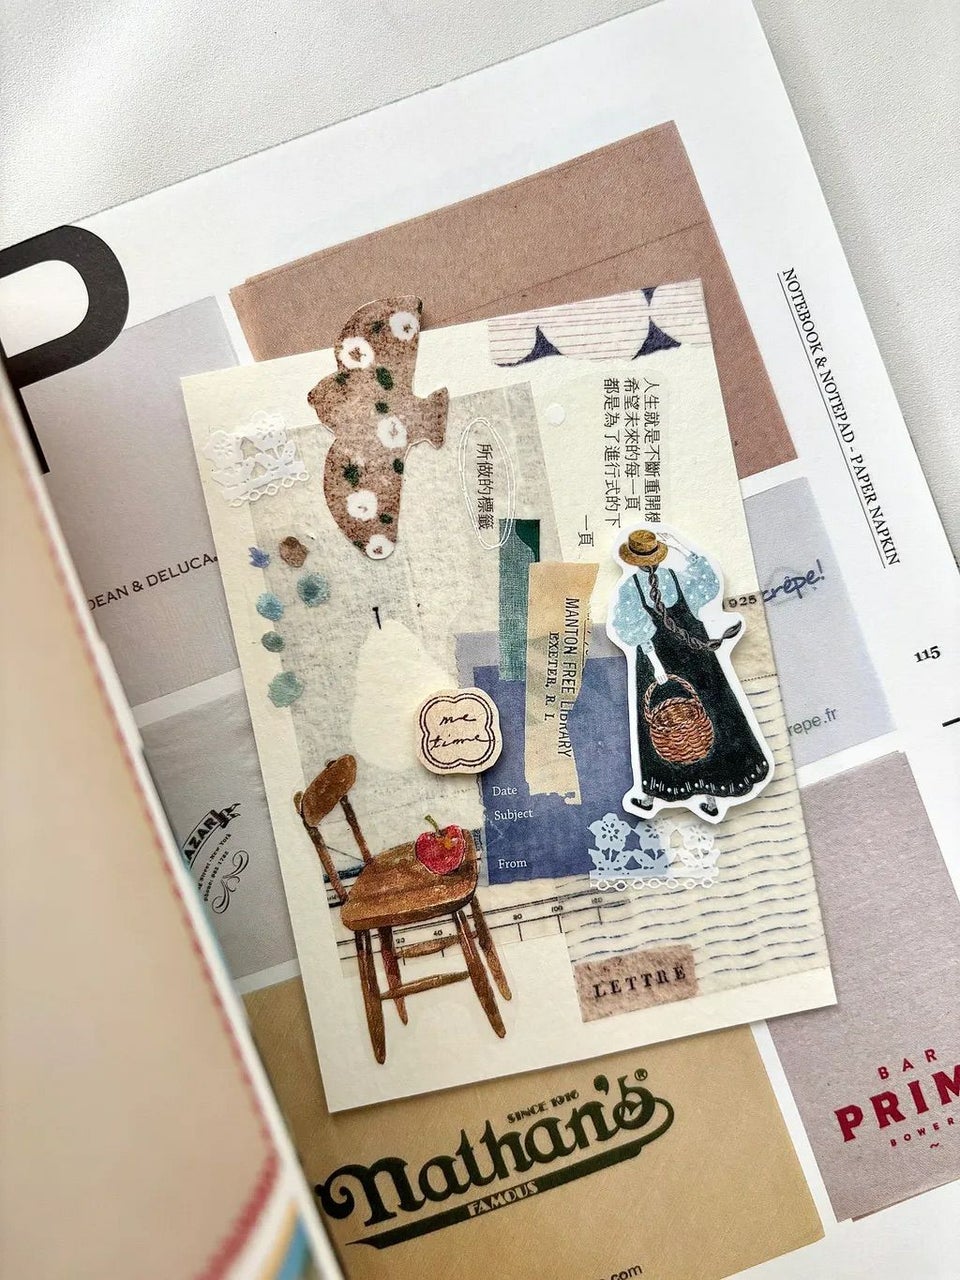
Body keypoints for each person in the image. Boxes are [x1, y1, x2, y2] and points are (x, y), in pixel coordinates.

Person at [607, 527, 771, 821]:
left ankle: (709, 793)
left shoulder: (673, 578)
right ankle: (655, 793)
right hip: (661, 664)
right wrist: (657, 668)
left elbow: (709, 585)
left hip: (697, 662)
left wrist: (684, 549)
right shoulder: (632, 589)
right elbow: (634, 631)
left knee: (707, 721)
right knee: (665, 726)